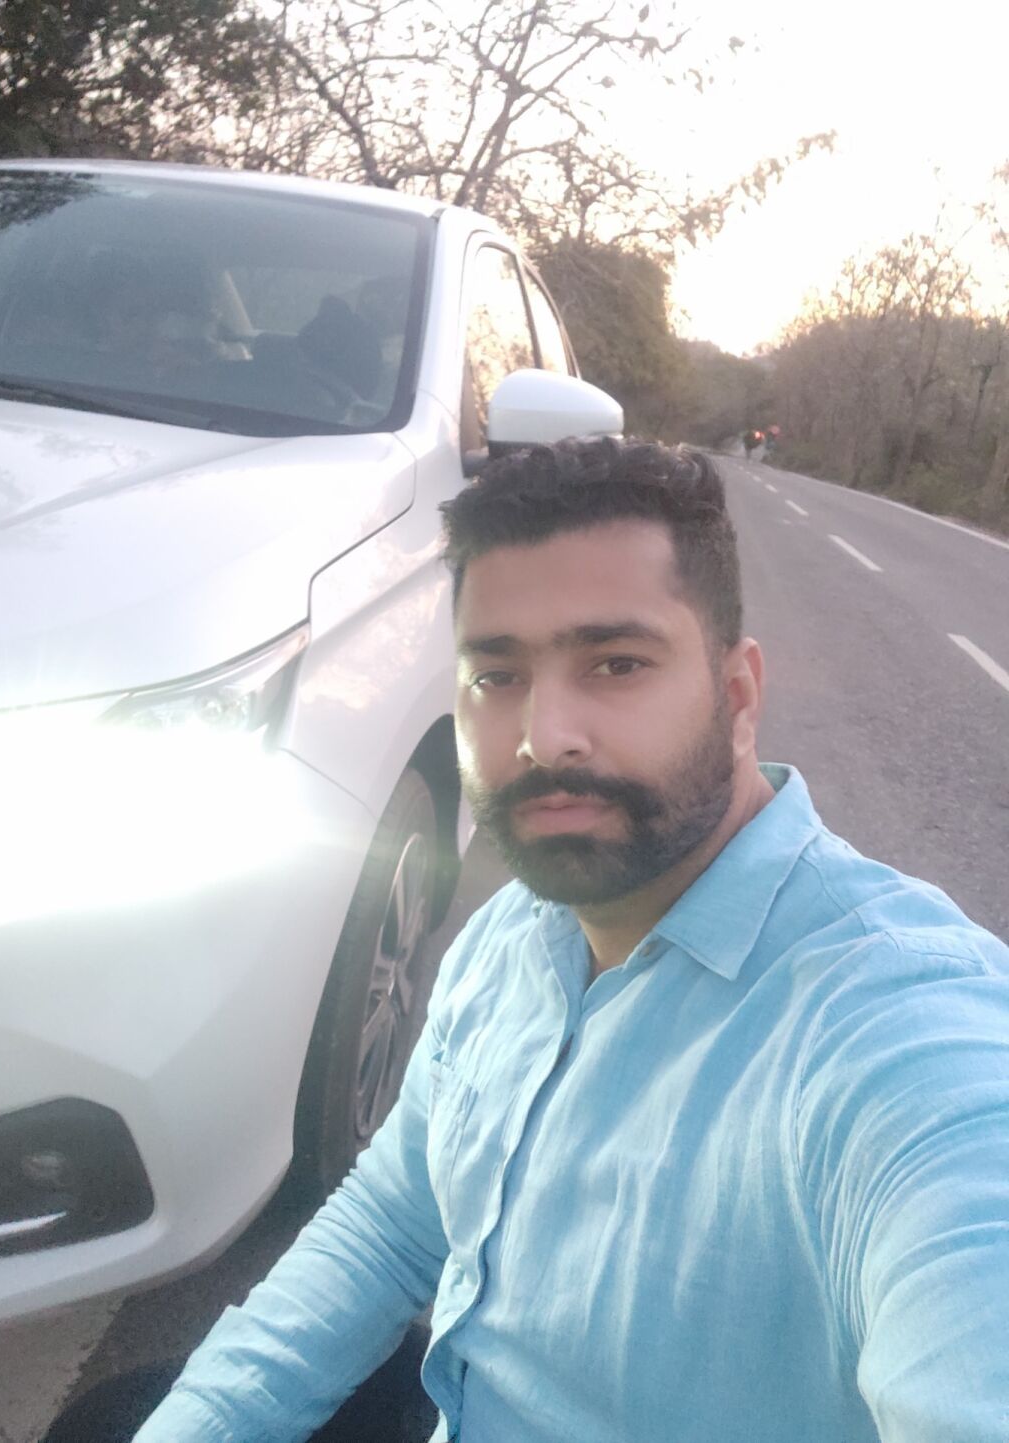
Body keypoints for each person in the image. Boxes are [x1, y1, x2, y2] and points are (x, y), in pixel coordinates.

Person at [134, 437, 1009, 1443]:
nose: (543, 736)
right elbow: (392, 1223)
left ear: (736, 698)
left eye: (617, 664)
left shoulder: (901, 1036)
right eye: (496, 674)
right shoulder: (517, 929)